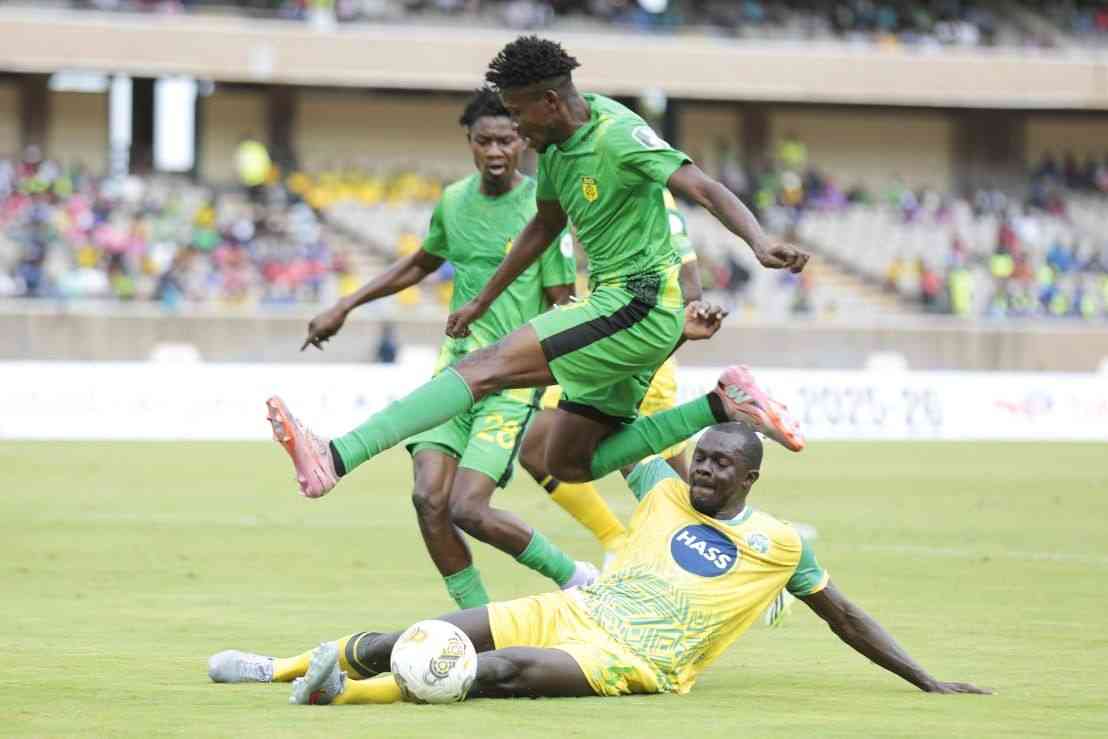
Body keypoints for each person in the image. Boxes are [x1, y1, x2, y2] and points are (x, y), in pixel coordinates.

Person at [265, 35, 808, 503]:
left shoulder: (616, 134)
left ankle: (336, 456)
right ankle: (722, 403)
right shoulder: (554, 150)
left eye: (519, 114)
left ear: (550, 102)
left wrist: (759, 243)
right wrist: (482, 299)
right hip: (626, 310)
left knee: (484, 367)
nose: (517, 129)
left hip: (635, 302)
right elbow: (543, 227)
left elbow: (702, 187)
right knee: (568, 462)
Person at [208, 424, 991, 702]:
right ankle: (278, 666)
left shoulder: (781, 544)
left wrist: (924, 678)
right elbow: (606, 433)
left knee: (497, 670)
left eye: (720, 464)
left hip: (635, 659)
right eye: (700, 457)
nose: (703, 470)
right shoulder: (663, 487)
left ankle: (337, 697)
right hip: (576, 610)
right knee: (418, 635)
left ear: (750, 477)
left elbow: (845, 616)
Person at [293, 88, 599, 607]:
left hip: (509, 384)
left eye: (506, 140)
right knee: (428, 499)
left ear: (522, 141)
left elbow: (562, 302)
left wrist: (561, 378)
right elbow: (420, 264)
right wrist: (346, 305)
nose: (496, 151)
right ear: (470, 142)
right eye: (485, 141)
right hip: (454, 375)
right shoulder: (454, 201)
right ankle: (479, 623)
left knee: (467, 508)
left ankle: (576, 578)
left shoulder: (542, 210)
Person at [518, 189, 703, 561]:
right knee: (536, 449)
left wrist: (653, 349)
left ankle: (729, 556)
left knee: (668, 487)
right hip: (599, 344)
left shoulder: (652, 193)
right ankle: (616, 542)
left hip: (639, 348)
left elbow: (691, 287)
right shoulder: (595, 183)